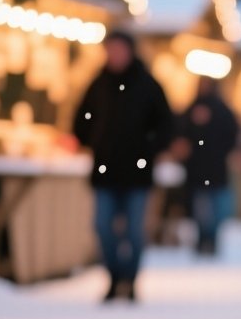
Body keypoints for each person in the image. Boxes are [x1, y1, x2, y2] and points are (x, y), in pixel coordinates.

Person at [73, 31, 175, 302]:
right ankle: (114, 276)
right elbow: (81, 119)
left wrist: (150, 149)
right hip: (105, 170)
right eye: (111, 50)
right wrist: (92, 141)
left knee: (134, 231)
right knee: (103, 227)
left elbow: (166, 124)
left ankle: (130, 279)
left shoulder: (147, 85)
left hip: (137, 172)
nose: (115, 55)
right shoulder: (99, 84)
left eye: (119, 50)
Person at [176, 79, 241, 256]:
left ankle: (211, 238)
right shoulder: (192, 109)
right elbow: (181, 132)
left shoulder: (222, 111)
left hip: (215, 168)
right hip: (198, 168)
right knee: (201, 208)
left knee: (214, 207)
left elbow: (232, 135)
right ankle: (203, 238)